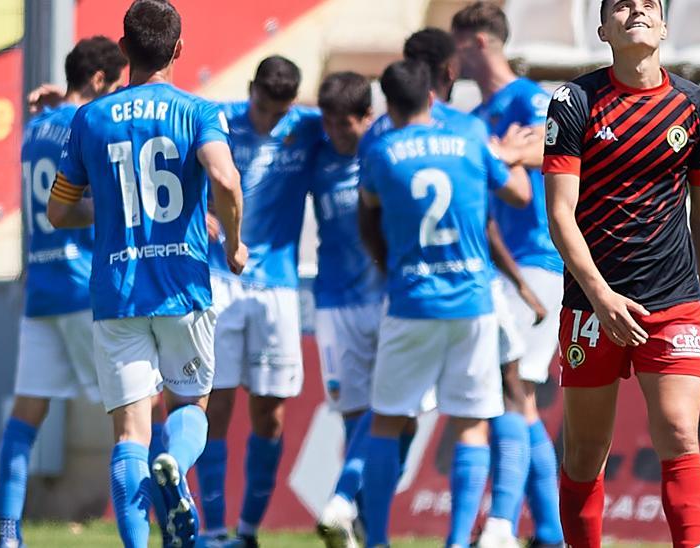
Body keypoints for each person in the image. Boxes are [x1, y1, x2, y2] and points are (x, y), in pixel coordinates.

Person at [316, 28, 539, 548]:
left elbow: (366, 218)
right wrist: (500, 157)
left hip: (410, 299)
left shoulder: (381, 148)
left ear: (388, 105)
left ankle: (374, 539)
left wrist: (389, 261)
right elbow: (518, 194)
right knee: (472, 422)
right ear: (438, 88)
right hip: (471, 301)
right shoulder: (467, 134)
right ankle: (462, 540)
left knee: (388, 421)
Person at [47, 2, 247, 546]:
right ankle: (176, 468)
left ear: (125, 49)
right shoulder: (198, 111)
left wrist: (104, 210)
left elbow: (59, 211)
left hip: (116, 294)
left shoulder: (90, 117)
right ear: (178, 50)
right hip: (182, 290)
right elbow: (226, 182)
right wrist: (232, 241)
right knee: (190, 408)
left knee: (129, 436)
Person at [543, 1, 700, 546]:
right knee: (583, 452)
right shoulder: (575, 102)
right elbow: (559, 214)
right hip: (591, 303)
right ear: (603, 30)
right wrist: (601, 297)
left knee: (678, 432)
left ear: (665, 27)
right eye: (621, 6)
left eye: (648, 5)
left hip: (672, 301)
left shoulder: (696, 107)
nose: (636, 12)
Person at [0, 35, 126, 548]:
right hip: (83, 286)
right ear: (97, 82)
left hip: (41, 290)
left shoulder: (33, 129)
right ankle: (165, 529)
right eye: (115, 87)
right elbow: (93, 194)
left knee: (26, 417)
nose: (118, 98)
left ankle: (9, 534)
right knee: (137, 414)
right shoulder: (88, 124)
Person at [190, 55, 324, 548]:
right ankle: (214, 528)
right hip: (218, 279)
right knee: (215, 403)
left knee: (270, 412)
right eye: (263, 107)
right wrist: (195, 212)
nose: (269, 120)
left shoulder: (309, 126)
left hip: (278, 288)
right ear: (251, 90)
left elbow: (363, 123)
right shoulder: (214, 118)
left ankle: (247, 532)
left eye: (278, 111)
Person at [451, 3, 566, 546]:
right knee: (515, 394)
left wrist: (513, 152)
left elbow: (566, 147)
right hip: (506, 268)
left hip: (540, 260)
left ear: (477, 42)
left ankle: (501, 525)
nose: (453, 61)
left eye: (457, 48)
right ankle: (546, 528)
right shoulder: (479, 119)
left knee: (513, 389)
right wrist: (504, 152)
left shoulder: (528, 98)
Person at [305, 71, 382, 548]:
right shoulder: (315, 154)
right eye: (327, 123)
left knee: (394, 413)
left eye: (344, 125)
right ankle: (358, 521)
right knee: (359, 419)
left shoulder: (383, 151)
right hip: (333, 307)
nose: (334, 133)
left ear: (367, 118)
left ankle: (342, 500)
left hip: (386, 301)